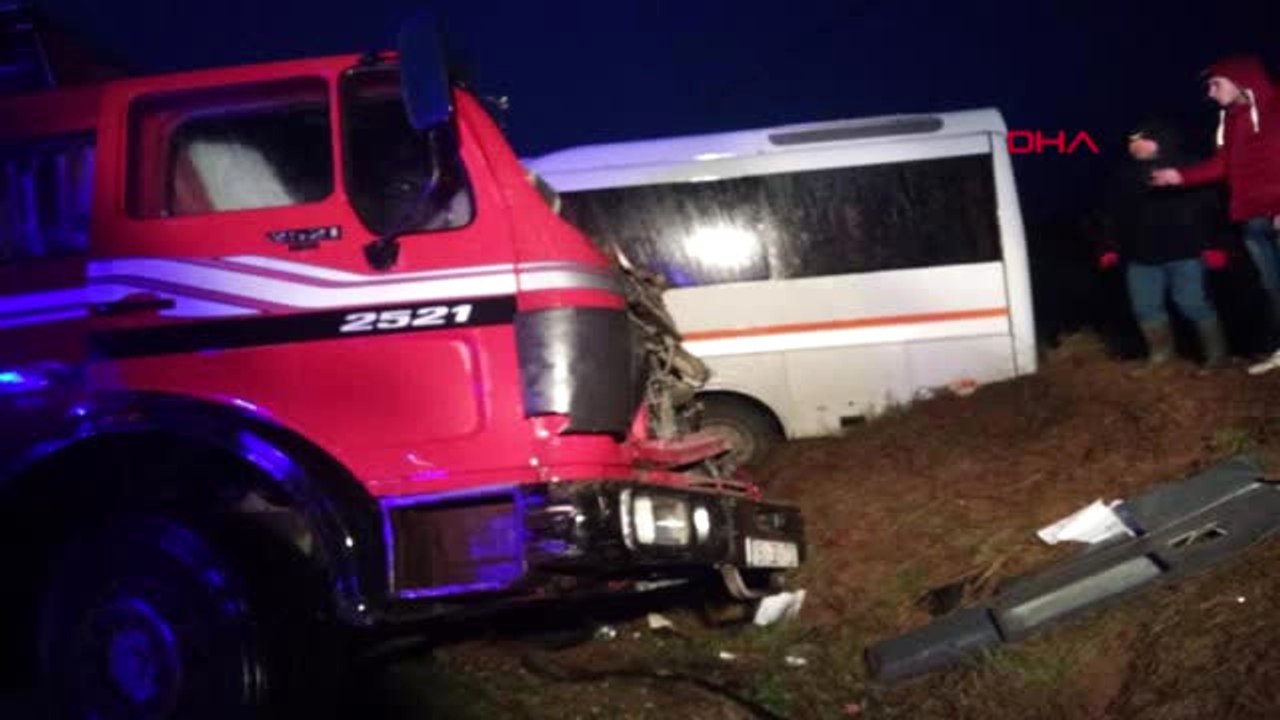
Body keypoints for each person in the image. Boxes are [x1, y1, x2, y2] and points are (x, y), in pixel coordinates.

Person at [1150, 55, 1280, 374]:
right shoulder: (1231, 120)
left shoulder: (1276, 109)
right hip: (1252, 218)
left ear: (1240, 79)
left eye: (1215, 84)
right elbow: (1223, 165)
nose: (1210, 92)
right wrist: (1180, 176)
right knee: (1273, 288)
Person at [1099, 119, 1229, 368]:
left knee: (1193, 304)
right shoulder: (1123, 174)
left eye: (1140, 139)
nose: (1133, 145)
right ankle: (1161, 358)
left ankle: (1217, 359)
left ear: (1160, 140)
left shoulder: (1189, 167)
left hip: (1186, 253)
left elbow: (1211, 209)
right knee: (1145, 307)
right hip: (1140, 257)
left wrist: (1214, 245)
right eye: (1130, 141)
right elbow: (1110, 214)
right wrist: (1109, 247)